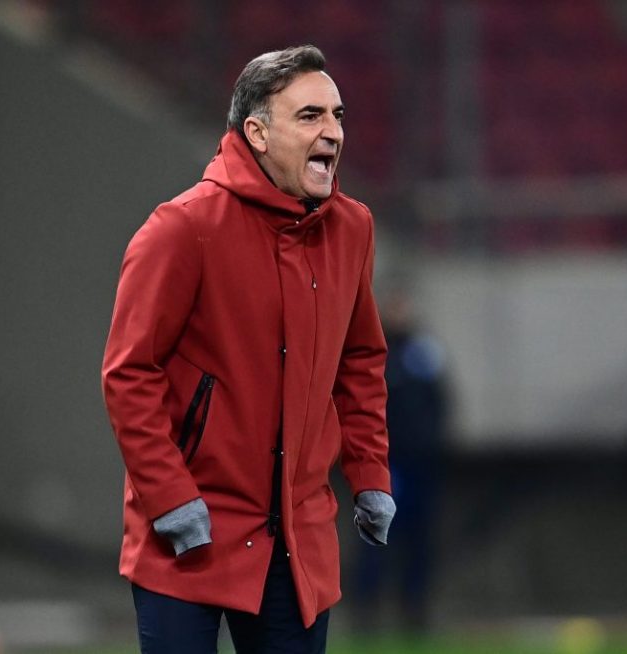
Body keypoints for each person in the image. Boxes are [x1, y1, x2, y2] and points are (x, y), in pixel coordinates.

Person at [101, 45, 395, 654]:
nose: (333, 132)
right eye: (310, 116)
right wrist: (171, 498)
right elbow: (130, 374)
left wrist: (369, 472)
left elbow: (360, 361)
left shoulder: (353, 229)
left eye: (338, 116)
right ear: (257, 134)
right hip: (189, 532)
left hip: (299, 537)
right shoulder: (182, 228)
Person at [352, 288, 449, 633]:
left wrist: (435, 445)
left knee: (419, 540)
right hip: (387, 463)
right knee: (377, 537)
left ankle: (414, 607)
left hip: (421, 462)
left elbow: (441, 402)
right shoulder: (375, 354)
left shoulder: (425, 353)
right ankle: (368, 609)